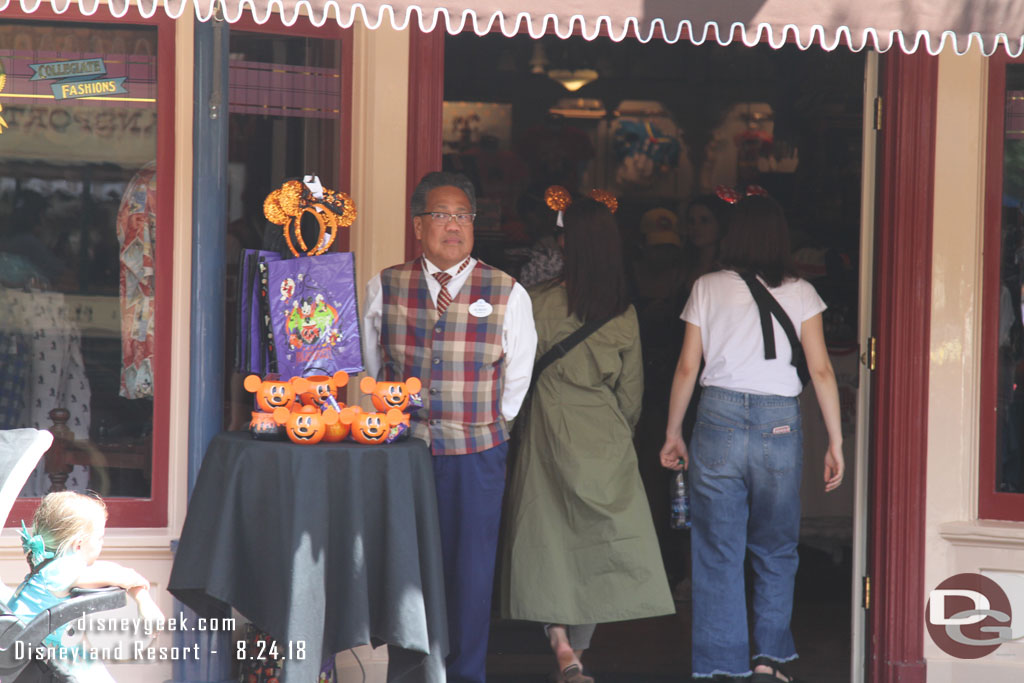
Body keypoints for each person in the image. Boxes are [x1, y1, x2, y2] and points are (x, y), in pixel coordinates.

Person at [658, 195, 844, 682]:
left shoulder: (706, 286)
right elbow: (821, 370)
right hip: (780, 421)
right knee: (776, 547)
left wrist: (673, 431)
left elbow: (686, 366)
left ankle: (721, 666)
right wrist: (836, 441)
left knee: (717, 548)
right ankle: (768, 661)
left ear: (732, 234)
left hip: (716, 417)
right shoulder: (802, 291)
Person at [362, 171, 537, 683]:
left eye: (463, 215)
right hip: (405, 452)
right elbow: (375, 367)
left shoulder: (506, 290)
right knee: (406, 572)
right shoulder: (386, 284)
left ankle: (464, 676)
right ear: (419, 225)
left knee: (471, 574)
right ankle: (412, 675)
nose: (454, 226)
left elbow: (518, 373)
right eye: (442, 215)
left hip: (477, 453)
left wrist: (484, 422)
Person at [501, 198, 674, 683]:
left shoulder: (537, 301)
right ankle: (581, 647)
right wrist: (618, 431)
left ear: (567, 245)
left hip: (547, 426)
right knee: (597, 542)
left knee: (546, 537)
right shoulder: (623, 312)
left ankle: (560, 645)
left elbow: (512, 374)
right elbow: (633, 393)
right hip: (605, 431)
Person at [9, 491, 165, 682]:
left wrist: (143, 599)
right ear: (79, 544)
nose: (103, 543)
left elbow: (117, 573)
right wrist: (145, 603)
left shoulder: (52, 566)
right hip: (33, 662)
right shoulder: (62, 571)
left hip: (30, 659)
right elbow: (123, 576)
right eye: (99, 538)